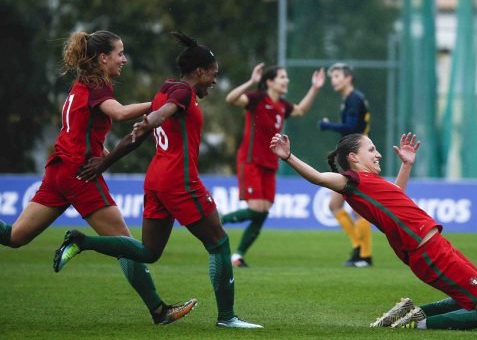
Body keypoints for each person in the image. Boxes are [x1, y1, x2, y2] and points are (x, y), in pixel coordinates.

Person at [53, 30, 262, 329]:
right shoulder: (182, 94)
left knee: (148, 252)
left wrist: (104, 162)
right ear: (199, 72)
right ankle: (227, 318)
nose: (214, 81)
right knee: (219, 243)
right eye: (213, 75)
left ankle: (82, 242)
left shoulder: (164, 88)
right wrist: (154, 119)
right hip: (181, 181)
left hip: (156, 180)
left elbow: (135, 137)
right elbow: (160, 115)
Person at [0, 30, 194, 325]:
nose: (124, 59)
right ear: (103, 58)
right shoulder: (97, 89)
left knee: (14, 237)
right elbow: (119, 114)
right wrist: (162, 103)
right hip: (79, 174)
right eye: (120, 53)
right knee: (127, 246)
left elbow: (80, 127)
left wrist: (100, 149)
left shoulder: (81, 86)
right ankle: (159, 311)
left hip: (58, 171)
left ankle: (158, 310)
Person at [270, 132, 477, 330]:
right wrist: (288, 157)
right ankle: (417, 324)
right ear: (353, 157)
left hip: (436, 247)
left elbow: (397, 195)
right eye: (371, 149)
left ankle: (412, 313)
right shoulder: (352, 181)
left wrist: (407, 165)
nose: (378, 154)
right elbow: (319, 178)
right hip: (429, 252)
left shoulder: (370, 182)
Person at [221, 63, 325, 267]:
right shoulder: (257, 99)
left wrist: (315, 87)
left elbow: (301, 110)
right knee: (256, 210)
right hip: (251, 160)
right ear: (269, 81)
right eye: (282, 77)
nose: (286, 80)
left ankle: (238, 256)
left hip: (270, 163)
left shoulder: (283, 105)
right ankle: (217, 221)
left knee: (264, 211)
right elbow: (231, 98)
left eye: (286, 77)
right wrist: (252, 82)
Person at [319, 62, 373, 268]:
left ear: (348, 78)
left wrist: (327, 125)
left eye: (337, 76)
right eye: (333, 77)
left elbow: (352, 127)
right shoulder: (350, 99)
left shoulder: (354, 99)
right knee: (335, 205)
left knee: (356, 208)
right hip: (352, 156)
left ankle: (364, 255)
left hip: (357, 158)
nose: (334, 80)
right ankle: (359, 249)